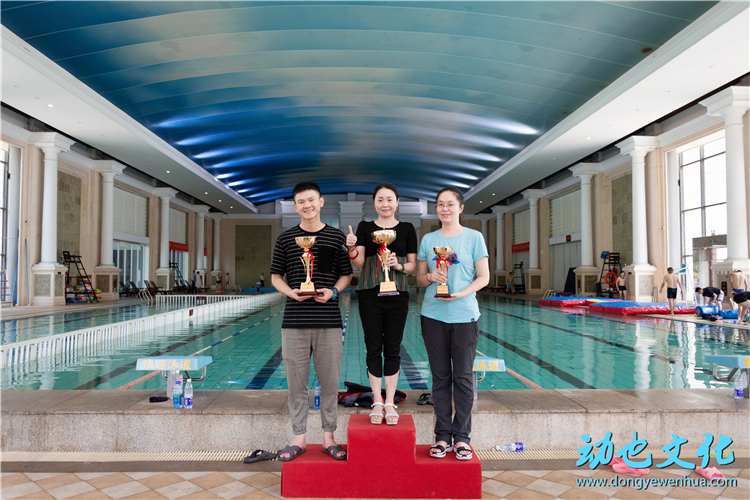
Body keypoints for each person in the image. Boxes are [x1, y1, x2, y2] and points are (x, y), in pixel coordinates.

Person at [270, 181, 352, 462]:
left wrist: (334, 292)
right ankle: (299, 439)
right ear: (295, 207)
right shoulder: (286, 239)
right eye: (301, 202)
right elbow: (276, 276)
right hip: (295, 321)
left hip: (328, 321)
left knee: (330, 384)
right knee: (297, 385)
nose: (307, 205)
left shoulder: (335, 236)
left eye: (311, 200)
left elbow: (346, 274)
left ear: (321, 202)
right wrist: (290, 292)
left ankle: (329, 438)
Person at [416, 187, 489, 461]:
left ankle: (462, 438)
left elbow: (483, 277)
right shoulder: (429, 239)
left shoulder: (474, 237)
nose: (444, 209)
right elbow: (419, 279)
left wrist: (462, 293)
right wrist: (430, 277)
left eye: (449, 204)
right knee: (440, 377)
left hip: (464, 316)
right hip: (433, 316)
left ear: (460, 208)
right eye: (440, 204)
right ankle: (442, 437)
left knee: (463, 377)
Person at [346, 183, 417, 425]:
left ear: (397, 202)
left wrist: (398, 265)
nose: (385, 204)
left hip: (398, 294)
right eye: (380, 200)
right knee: (373, 347)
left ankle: (389, 401)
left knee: (393, 348)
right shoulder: (365, 227)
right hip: (370, 293)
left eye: (389, 199)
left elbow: (412, 266)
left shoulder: (407, 228)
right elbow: (358, 263)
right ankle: (377, 399)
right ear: (374, 203)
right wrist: (351, 247)